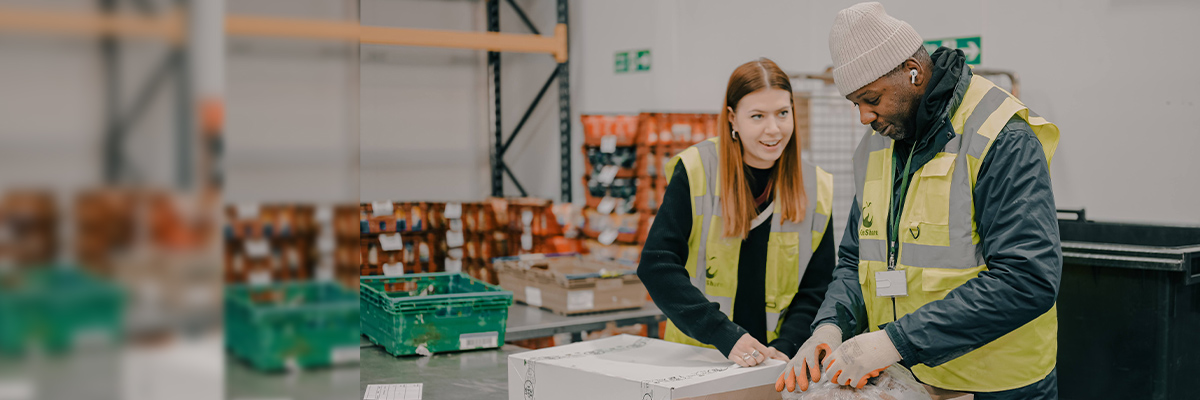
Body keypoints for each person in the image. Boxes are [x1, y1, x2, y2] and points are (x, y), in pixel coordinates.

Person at [775, 3, 1062, 399]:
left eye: (871, 98)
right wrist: (831, 325)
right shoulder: (878, 145)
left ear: (913, 71)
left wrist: (892, 341)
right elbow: (857, 259)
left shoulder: (1001, 137)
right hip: (908, 382)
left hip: (998, 387)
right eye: (854, 103)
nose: (863, 117)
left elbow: (1026, 279)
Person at [637, 58, 836, 368]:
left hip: (777, 365)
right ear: (732, 118)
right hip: (701, 357)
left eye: (783, 113)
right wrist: (722, 333)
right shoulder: (697, 170)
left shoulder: (816, 186)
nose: (773, 129)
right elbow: (657, 266)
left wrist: (786, 347)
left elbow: (817, 287)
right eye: (757, 116)